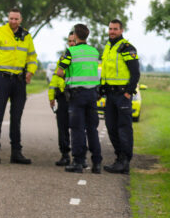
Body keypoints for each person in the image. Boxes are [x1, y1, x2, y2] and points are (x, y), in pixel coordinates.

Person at [0, 7, 38, 164]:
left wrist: (31, 72)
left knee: (16, 117)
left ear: (21, 20)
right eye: (11, 18)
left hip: (19, 81)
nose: (13, 21)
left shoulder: (26, 36)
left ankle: (16, 152)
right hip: (2, 79)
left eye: (16, 19)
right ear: (8, 18)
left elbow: (32, 56)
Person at [56, 23, 102, 173]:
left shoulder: (70, 51)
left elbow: (59, 72)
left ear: (75, 36)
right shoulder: (94, 52)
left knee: (77, 129)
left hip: (77, 95)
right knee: (92, 129)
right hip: (92, 94)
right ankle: (97, 163)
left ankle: (78, 162)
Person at [100, 19, 140, 174]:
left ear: (121, 30)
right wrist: (101, 89)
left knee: (124, 129)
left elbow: (135, 73)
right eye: (110, 29)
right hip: (110, 95)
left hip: (122, 95)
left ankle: (125, 161)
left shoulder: (127, 48)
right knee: (111, 127)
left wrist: (128, 92)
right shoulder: (108, 47)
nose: (112, 32)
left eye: (115, 29)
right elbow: (106, 72)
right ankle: (119, 158)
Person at [48, 31, 77, 166]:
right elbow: (55, 76)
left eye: (74, 41)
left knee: (78, 127)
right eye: (70, 41)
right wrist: (51, 96)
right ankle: (65, 155)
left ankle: (79, 157)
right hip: (62, 97)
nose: (71, 43)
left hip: (76, 96)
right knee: (62, 127)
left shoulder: (80, 57)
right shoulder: (64, 57)